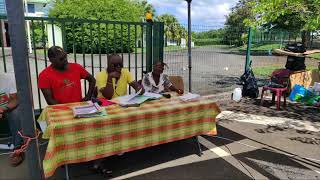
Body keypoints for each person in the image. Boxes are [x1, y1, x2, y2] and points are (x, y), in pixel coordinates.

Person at [0, 73, 24, 167]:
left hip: (7, 108)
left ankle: (18, 148)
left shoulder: (7, 78)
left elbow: (15, 99)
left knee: (16, 113)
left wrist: (3, 109)